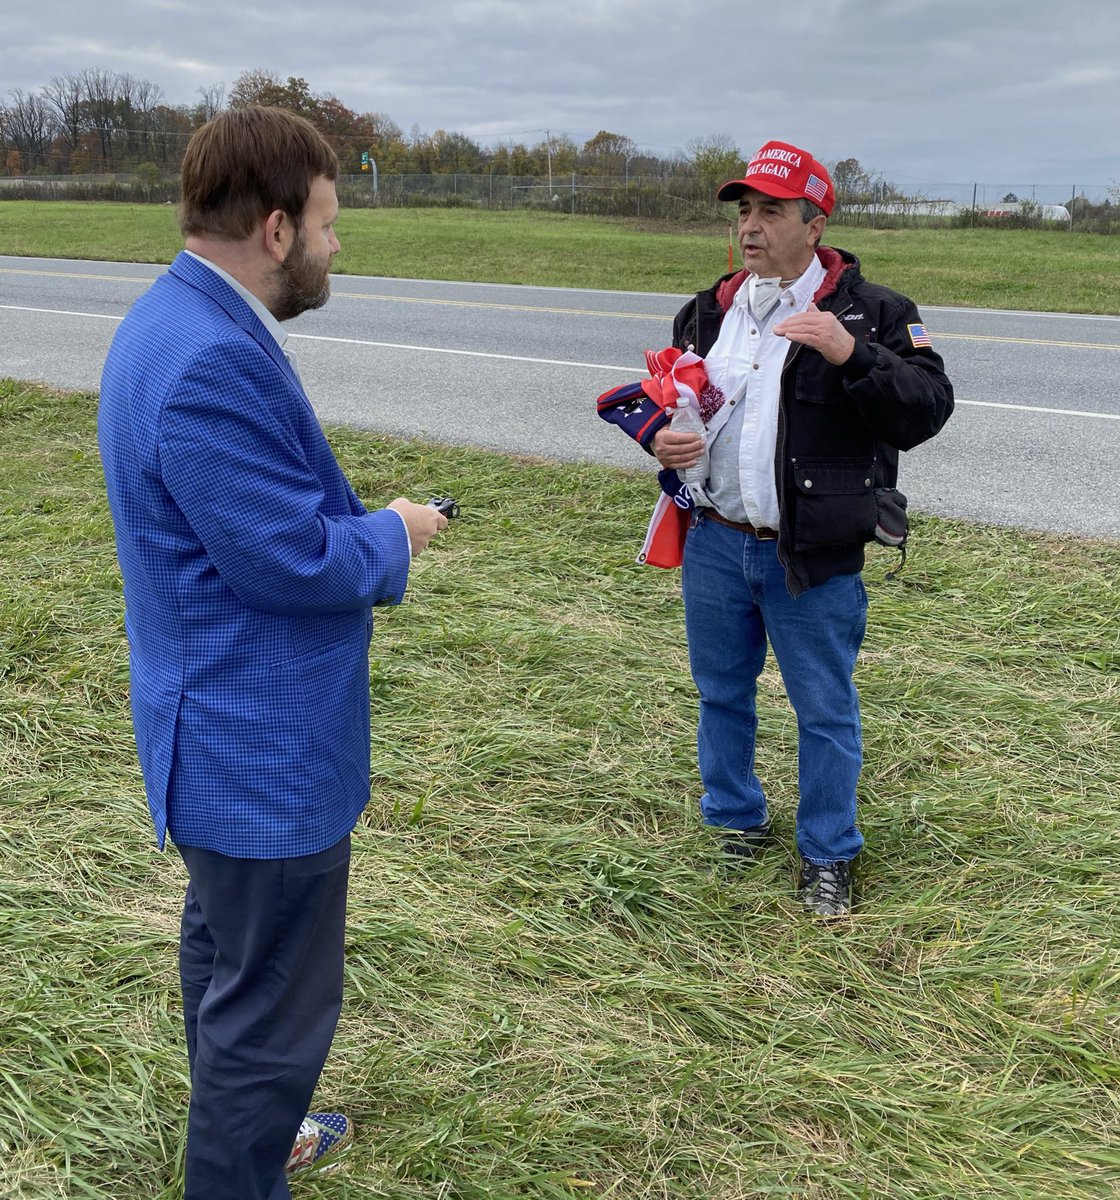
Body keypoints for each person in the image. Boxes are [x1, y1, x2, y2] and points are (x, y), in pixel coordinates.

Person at [98, 106, 447, 1198]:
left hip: (215, 738)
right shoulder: (207, 357)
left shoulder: (170, 316)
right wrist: (397, 530)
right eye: (333, 226)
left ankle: (260, 1138)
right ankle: (240, 1168)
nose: (340, 247)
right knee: (272, 1012)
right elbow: (288, 562)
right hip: (256, 757)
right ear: (280, 229)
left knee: (229, 965)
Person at [599, 140, 953, 917]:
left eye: (771, 211)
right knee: (721, 693)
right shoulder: (709, 310)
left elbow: (926, 411)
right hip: (717, 542)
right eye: (745, 210)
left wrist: (851, 353)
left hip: (811, 555)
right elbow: (676, 403)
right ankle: (734, 823)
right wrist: (660, 437)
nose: (751, 226)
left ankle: (828, 854)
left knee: (824, 709)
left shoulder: (878, 313)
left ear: (814, 222)